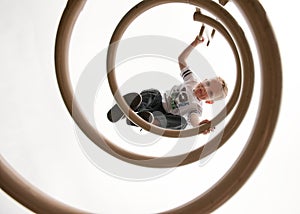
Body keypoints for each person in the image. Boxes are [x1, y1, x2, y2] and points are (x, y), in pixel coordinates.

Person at [109, 36, 228, 134]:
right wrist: (195, 43)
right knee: (154, 93)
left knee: (183, 123)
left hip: (163, 116)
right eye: (207, 83)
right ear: (204, 79)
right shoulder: (192, 80)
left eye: (210, 92)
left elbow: (194, 120)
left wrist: (200, 126)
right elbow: (181, 59)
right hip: (159, 101)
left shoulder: (196, 108)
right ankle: (131, 107)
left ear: (209, 101)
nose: (204, 88)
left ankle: (148, 121)